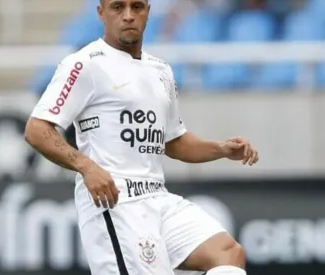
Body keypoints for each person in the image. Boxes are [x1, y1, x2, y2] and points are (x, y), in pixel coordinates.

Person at [24, 0, 259, 275]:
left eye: (136, 7)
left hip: (157, 196)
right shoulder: (84, 64)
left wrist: (221, 148)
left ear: (148, 11)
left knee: (227, 253)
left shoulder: (160, 70)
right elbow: (37, 129)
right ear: (101, 13)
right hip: (115, 202)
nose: (128, 16)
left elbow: (174, 142)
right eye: (117, 7)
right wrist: (87, 167)